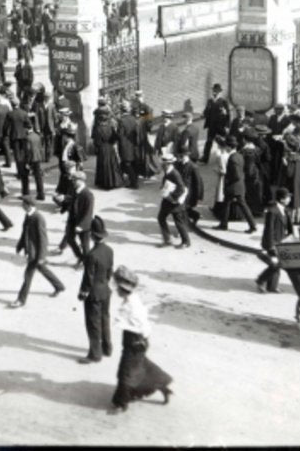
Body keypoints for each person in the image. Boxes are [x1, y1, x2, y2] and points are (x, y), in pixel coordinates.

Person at [110, 267, 172, 411]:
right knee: (141, 366)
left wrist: (139, 340)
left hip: (134, 341)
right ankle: (162, 386)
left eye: (118, 288)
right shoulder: (131, 300)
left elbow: (141, 325)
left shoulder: (131, 305)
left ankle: (121, 403)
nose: (116, 291)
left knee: (125, 372)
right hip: (135, 341)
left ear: (123, 289)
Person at [10, 196, 64, 307]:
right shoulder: (28, 215)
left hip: (36, 254)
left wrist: (41, 257)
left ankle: (21, 300)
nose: (21, 206)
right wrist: (20, 245)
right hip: (32, 252)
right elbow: (25, 232)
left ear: (29, 205)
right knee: (43, 270)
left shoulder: (38, 218)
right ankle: (59, 286)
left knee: (27, 277)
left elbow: (43, 239)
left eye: (23, 204)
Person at [78, 216, 113, 364]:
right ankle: (107, 347)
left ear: (92, 236)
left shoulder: (91, 255)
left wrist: (83, 292)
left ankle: (95, 354)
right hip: (105, 289)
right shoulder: (109, 250)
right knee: (105, 319)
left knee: (93, 323)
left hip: (93, 294)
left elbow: (88, 278)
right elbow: (110, 271)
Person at [216, 136, 257, 233]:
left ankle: (225, 224)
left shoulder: (232, 158)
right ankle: (224, 224)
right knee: (232, 204)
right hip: (239, 186)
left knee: (233, 205)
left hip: (233, 186)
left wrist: (227, 178)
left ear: (229, 147)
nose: (225, 148)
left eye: (226, 146)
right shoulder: (239, 155)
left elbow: (236, 175)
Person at [256, 188, 293, 293]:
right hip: (272, 242)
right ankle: (261, 280)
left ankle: (272, 286)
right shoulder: (272, 211)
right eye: (288, 197)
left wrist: (291, 238)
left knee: (278, 263)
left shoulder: (285, 210)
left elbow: (289, 228)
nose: (289, 199)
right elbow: (269, 230)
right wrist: (271, 245)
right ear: (282, 199)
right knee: (276, 264)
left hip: (281, 242)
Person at [157, 152, 190, 249]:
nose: (161, 165)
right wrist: (163, 187)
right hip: (168, 201)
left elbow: (181, 188)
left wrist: (172, 197)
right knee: (161, 218)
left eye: (163, 163)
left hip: (174, 202)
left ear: (167, 164)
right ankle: (168, 239)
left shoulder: (174, 173)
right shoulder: (168, 171)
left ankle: (186, 242)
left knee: (178, 221)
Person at [201, 83, 230, 163]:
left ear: (219, 92)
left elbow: (228, 115)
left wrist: (227, 126)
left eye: (216, 91)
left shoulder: (223, 102)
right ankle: (205, 158)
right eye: (214, 91)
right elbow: (205, 112)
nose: (214, 93)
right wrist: (204, 113)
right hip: (211, 126)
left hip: (220, 126)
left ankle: (226, 157)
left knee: (223, 142)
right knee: (209, 142)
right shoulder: (210, 101)